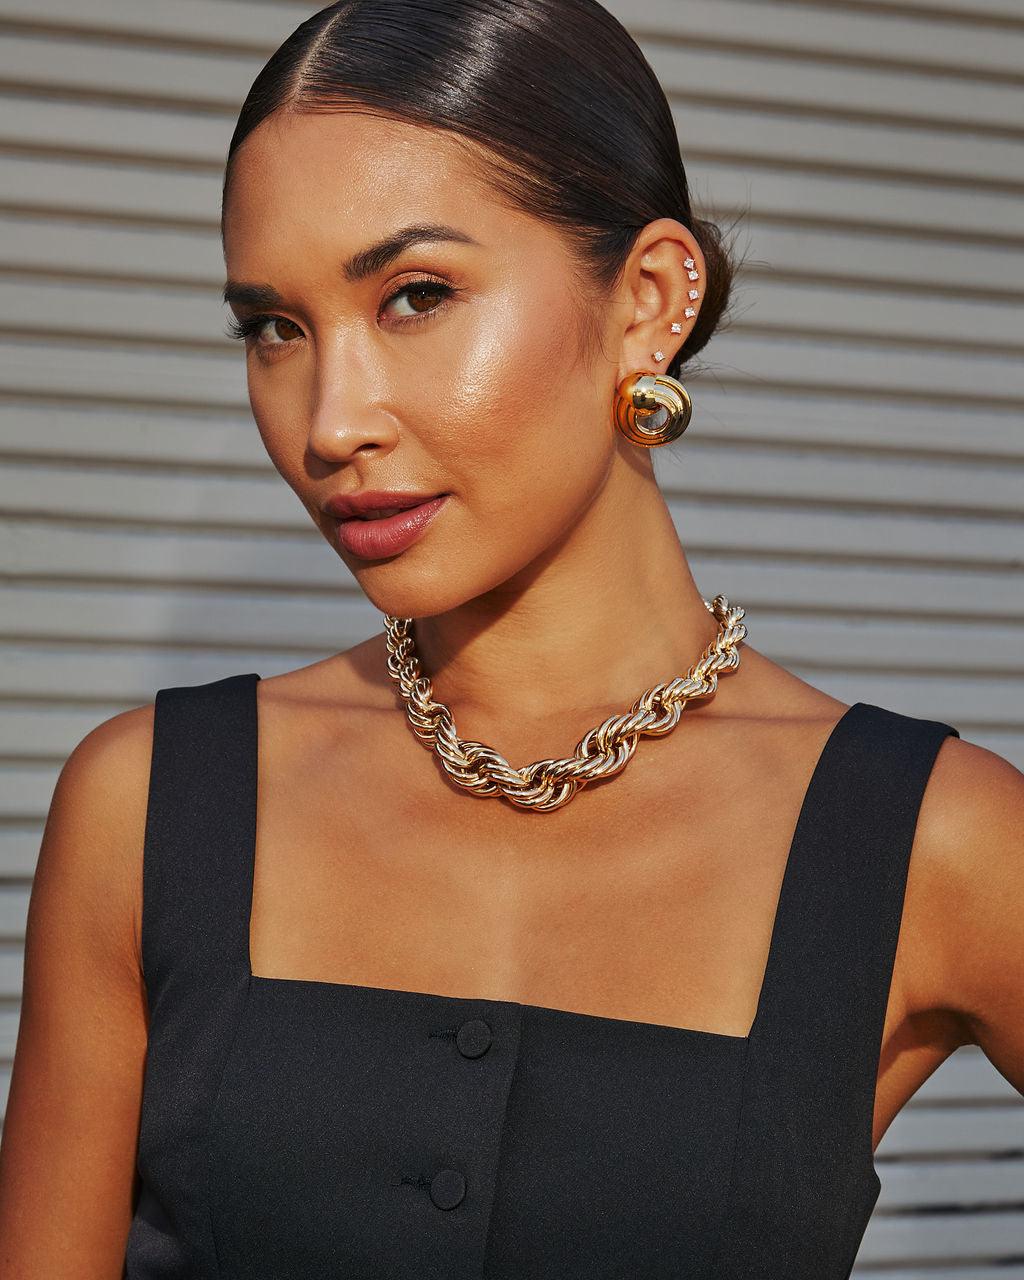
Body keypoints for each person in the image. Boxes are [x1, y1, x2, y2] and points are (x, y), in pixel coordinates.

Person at [1, 1, 1021, 1275]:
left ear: (647, 300)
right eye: (274, 326)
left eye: (416, 295)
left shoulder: (934, 842)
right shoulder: (148, 805)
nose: (328, 422)